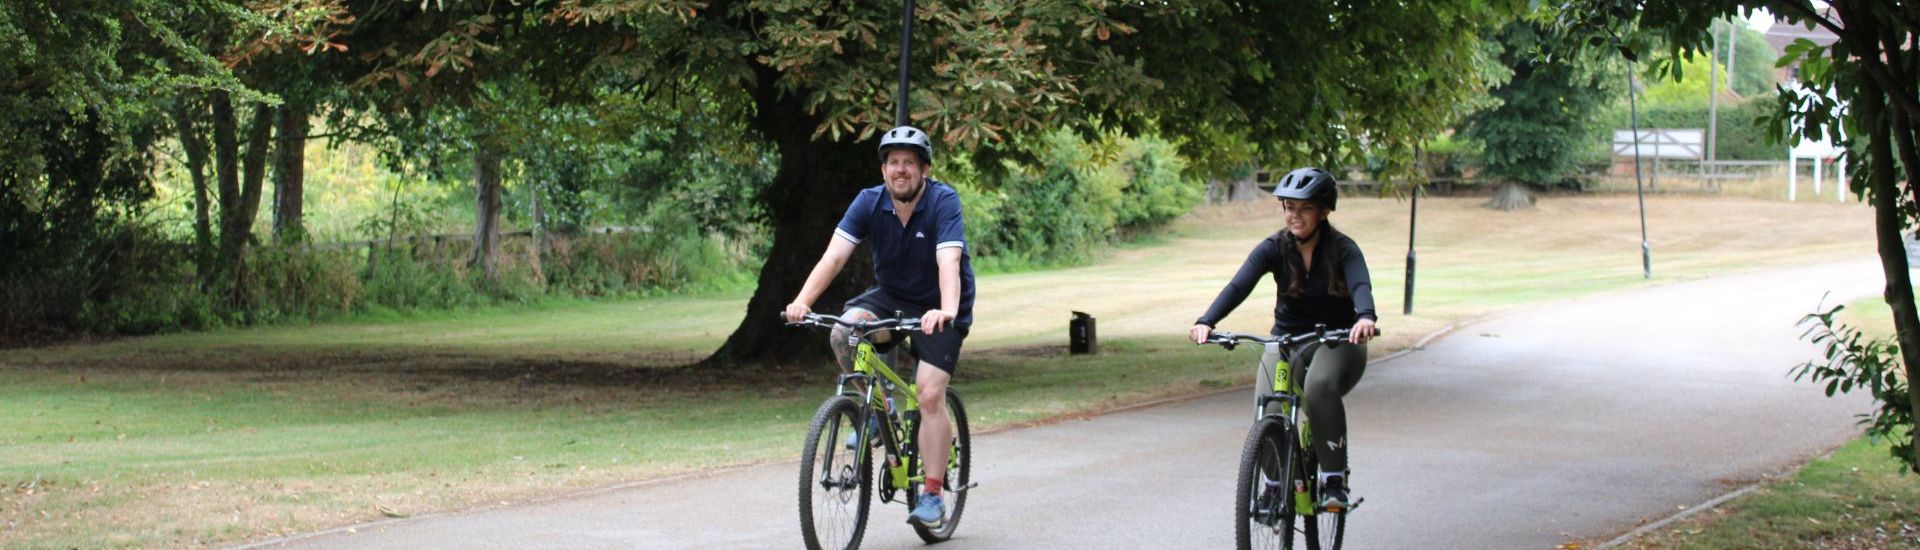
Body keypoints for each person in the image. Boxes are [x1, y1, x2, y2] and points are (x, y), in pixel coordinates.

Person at [783, 125, 975, 528]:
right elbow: (833, 258)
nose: (900, 170)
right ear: (884, 169)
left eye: (908, 162)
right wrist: (803, 301)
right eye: (893, 163)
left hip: (939, 304)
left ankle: (933, 494)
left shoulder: (943, 201)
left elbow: (949, 263)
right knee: (844, 331)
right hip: (890, 297)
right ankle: (877, 408)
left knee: (927, 395)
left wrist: (947, 310)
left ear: (924, 169)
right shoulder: (869, 202)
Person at [1188, 167, 1377, 511]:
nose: (1294, 215)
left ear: (1324, 211)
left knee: (1319, 387)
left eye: (1304, 208)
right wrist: (1207, 320)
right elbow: (1238, 286)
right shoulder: (1274, 247)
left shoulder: (1344, 250)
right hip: (1288, 339)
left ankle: (1333, 480)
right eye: (1288, 207)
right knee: (1269, 405)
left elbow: (1361, 285)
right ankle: (1275, 486)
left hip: (1339, 339)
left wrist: (1365, 316)